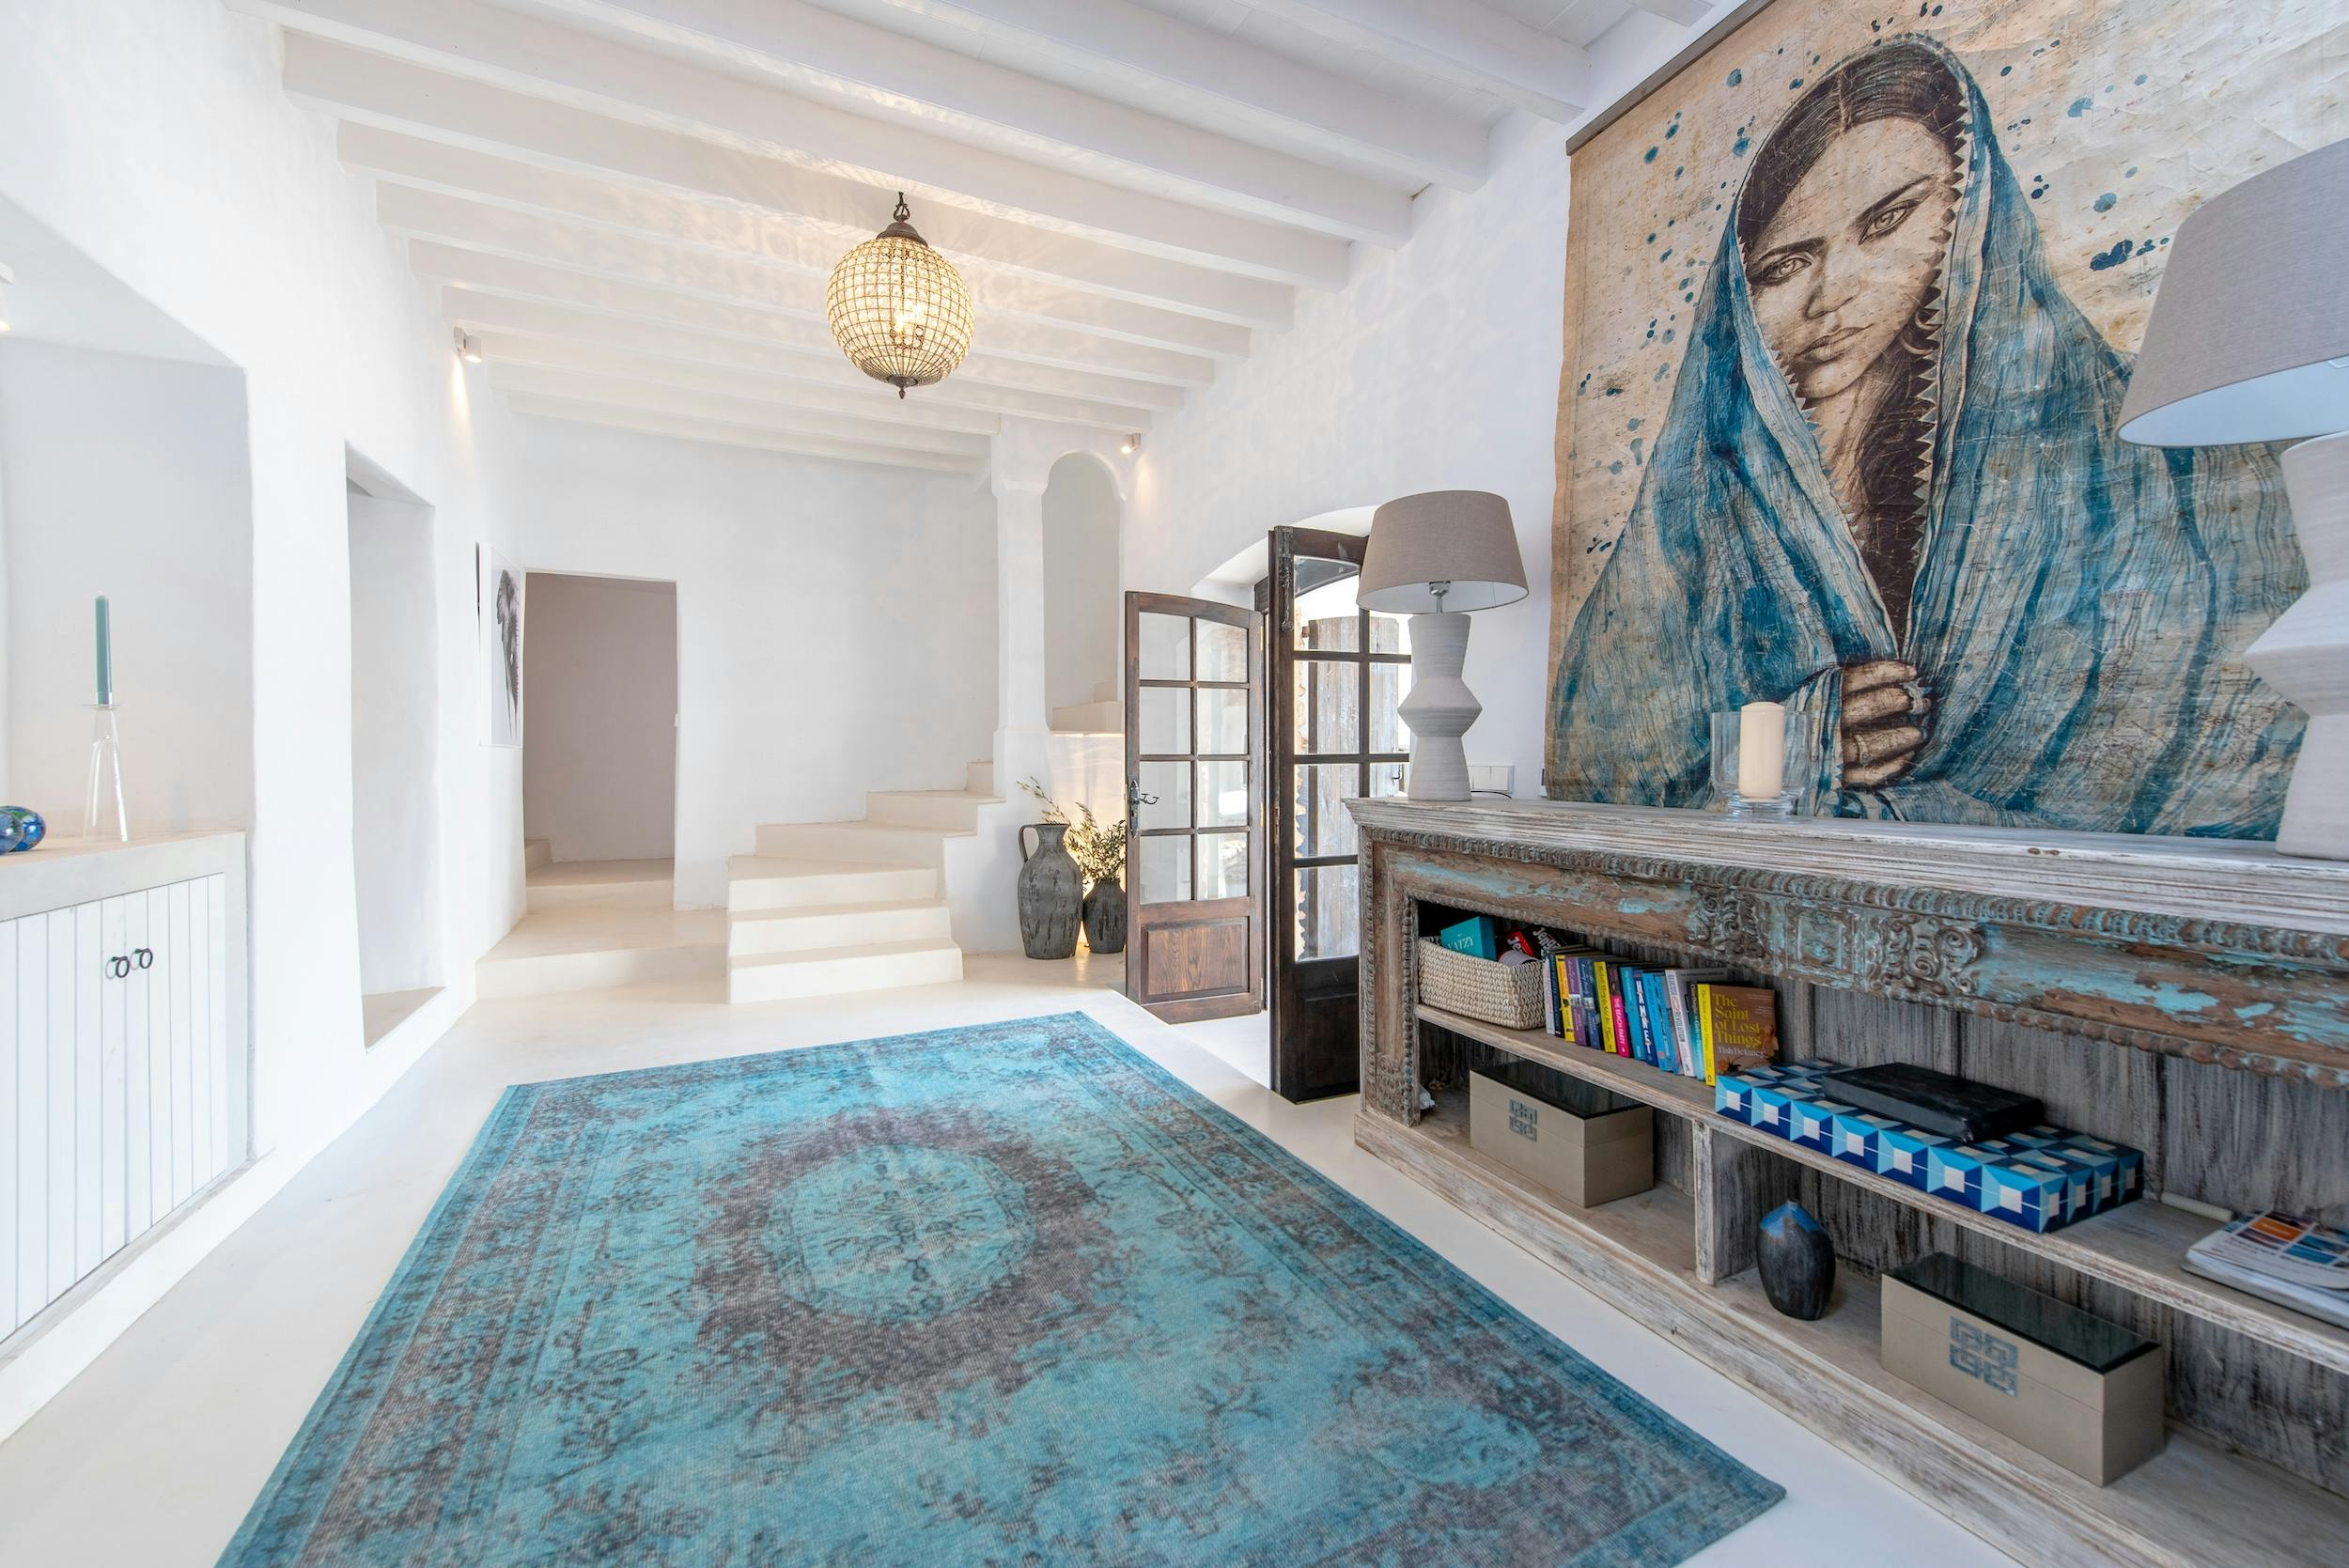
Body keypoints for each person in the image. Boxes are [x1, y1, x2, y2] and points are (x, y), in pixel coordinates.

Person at [1548, 36, 2304, 835]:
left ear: (1968, 205)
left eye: (1887, 221)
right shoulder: (1690, 529)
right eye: (1785, 266)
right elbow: (1605, 773)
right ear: (1740, 294)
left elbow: (2224, 741)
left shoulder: (2159, 457)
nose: (1832, 294)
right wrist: (1796, 743)